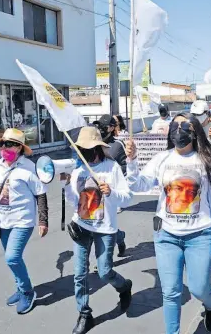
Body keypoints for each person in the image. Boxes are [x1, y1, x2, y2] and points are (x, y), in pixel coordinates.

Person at [125, 113, 211, 334]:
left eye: (184, 125)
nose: (178, 129)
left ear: (194, 131)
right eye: (175, 124)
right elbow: (138, 185)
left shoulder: (207, 160)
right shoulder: (161, 159)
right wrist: (132, 161)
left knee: (199, 288)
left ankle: (210, 306)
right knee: (171, 292)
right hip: (166, 236)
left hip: (199, 236)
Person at [62, 126, 133, 334]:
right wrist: (67, 186)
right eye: (81, 149)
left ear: (98, 148)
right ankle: (84, 314)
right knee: (79, 273)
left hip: (105, 228)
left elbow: (127, 198)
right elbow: (74, 201)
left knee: (104, 272)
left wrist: (111, 193)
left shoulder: (112, 168)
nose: (84, 152)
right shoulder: (78, 171)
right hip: (82, 227)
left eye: (88, 148)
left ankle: (124, 286)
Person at [0, 128, 48, 314]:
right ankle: (20, 288)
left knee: (12, 257)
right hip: (3, 220)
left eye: (11, 144)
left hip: (23, 220)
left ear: (20, 148)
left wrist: (43, 220)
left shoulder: (28, 168)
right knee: (12, 259)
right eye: (3, 144)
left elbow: (40, 194)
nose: (5, 147)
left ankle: (28, 292)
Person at [96, 114, 128, 256]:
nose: (101, 130)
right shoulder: (94, 143)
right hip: (94, 188)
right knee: (98, 221)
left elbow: (125, 166)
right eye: (100, 126)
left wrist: (115, 180)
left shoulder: (118, 145)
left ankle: (115, 243)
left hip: (111, 189)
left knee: (107, 220)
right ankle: (116, 239)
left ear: (112, 128)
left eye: (104, 127)